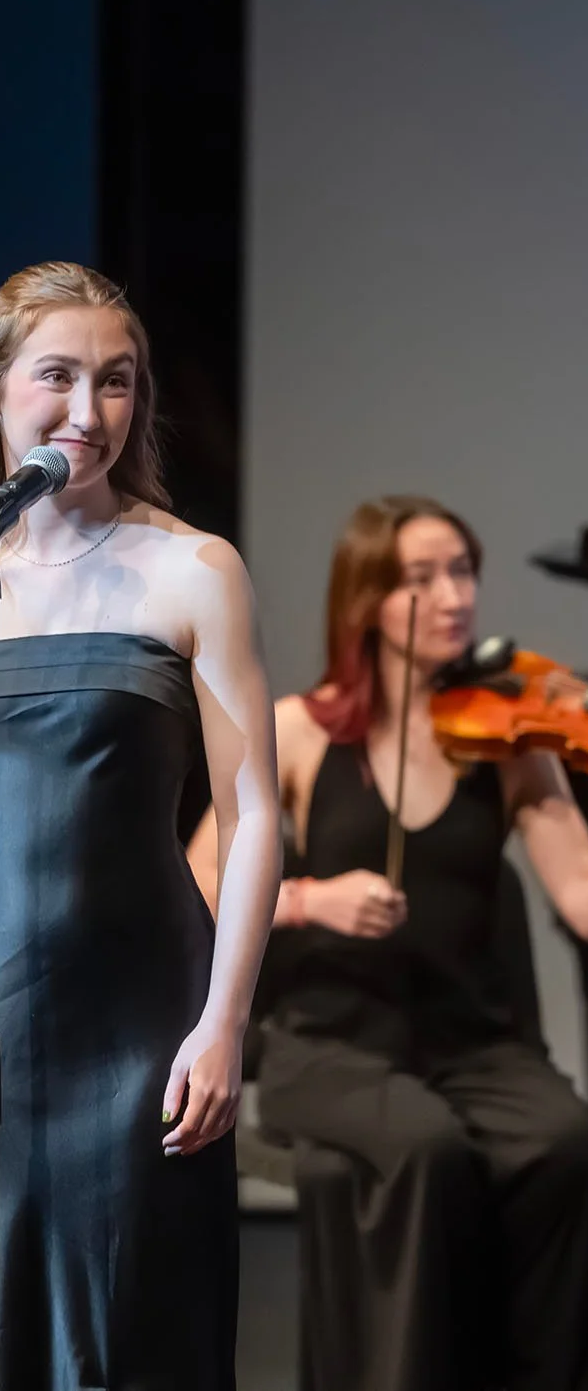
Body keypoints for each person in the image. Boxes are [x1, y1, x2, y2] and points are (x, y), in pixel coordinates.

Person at [0, 261, 281, 1391]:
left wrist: (224, 1022)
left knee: (146, 1335)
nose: (88, 411)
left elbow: (252, 813)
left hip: (149, 1020)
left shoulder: (194, 569)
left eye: (117, 380)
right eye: (58, 376)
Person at [188, 495, 588, 1391]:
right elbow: (202, 880)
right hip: (333, 1044)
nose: (454, 597)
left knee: (564, 1141)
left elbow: (578, 887)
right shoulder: (300, 730)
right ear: (366, 600)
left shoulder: (511, 736)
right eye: (422, 579)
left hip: (474, 1045)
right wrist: (308, 901)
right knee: (424, 1148)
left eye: (463, 572)